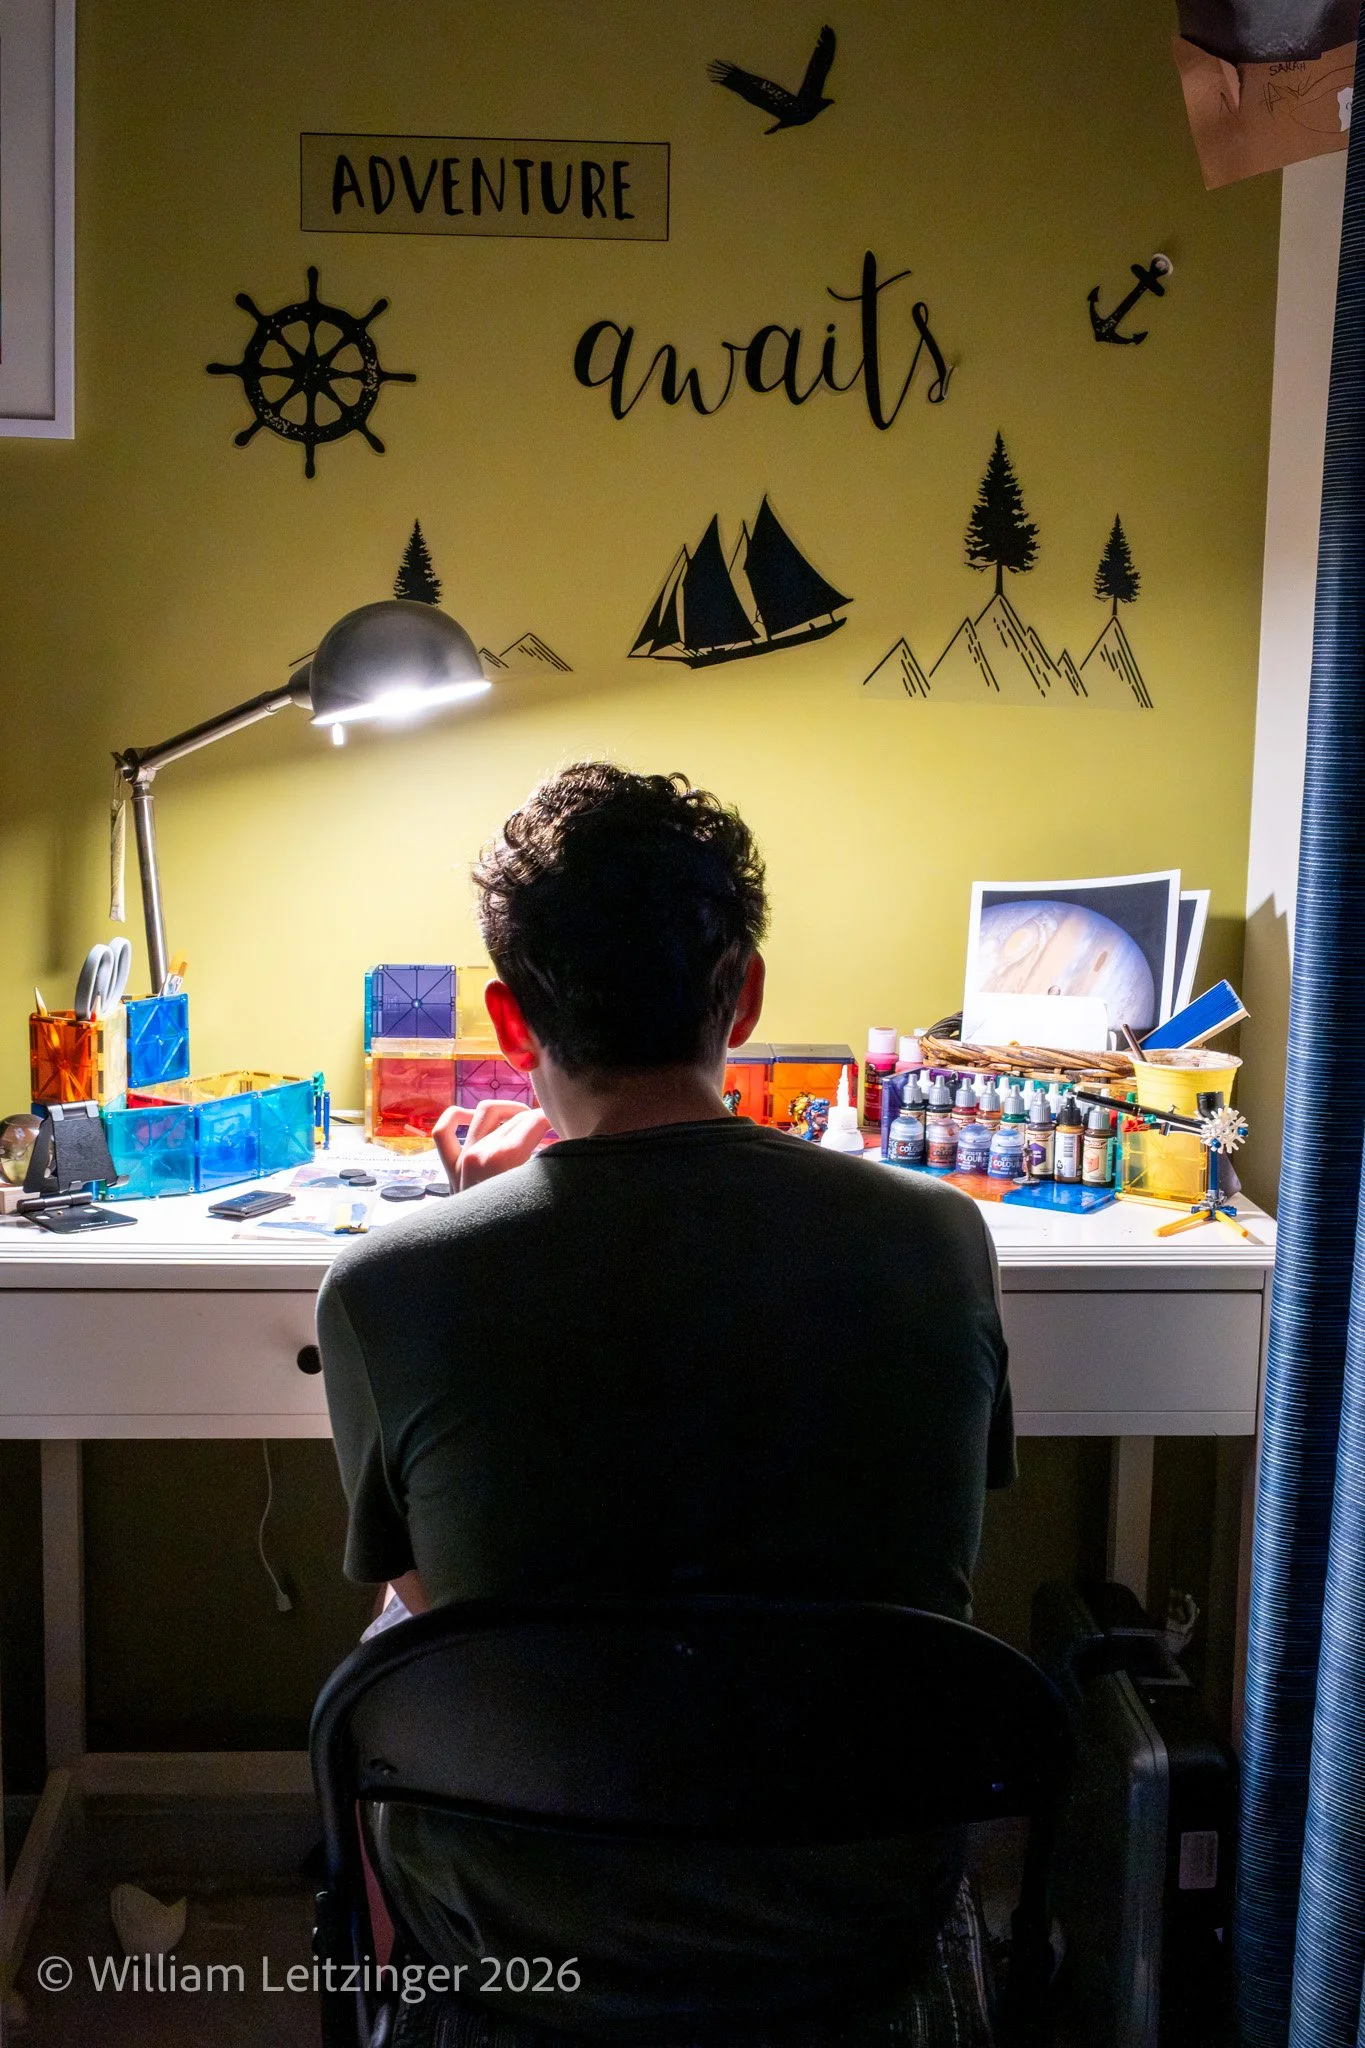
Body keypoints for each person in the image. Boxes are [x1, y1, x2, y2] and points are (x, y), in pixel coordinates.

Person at [318, 762, 1013, 2039]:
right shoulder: (938, 1240)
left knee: (392, 1630)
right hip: (854, 1896)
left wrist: (470, 1222)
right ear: (743, 994)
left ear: (510, 1019)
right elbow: (932, 1544)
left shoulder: (387, 1285)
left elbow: (440, 1601)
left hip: (526, 1912)